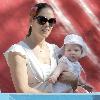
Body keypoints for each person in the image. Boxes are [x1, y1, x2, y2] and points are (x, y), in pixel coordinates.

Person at [3, 3, 77, 93]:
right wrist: (54, 98)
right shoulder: (18, 51)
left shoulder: (55, 50)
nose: (47, 25)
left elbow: (71, 79)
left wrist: (73, 80)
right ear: (31, 20)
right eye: (42, 20)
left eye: (51, 21)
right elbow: (22, 90)